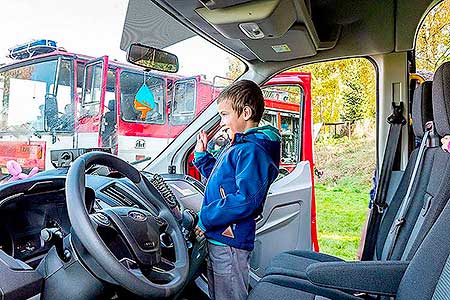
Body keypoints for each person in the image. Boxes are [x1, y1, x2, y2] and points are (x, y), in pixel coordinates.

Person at [193, 80, 281, 300]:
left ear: (246, 112)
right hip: (221, 236)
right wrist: (202, 157)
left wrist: (206, 217)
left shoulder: (252, 150)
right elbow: (223, 177)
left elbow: (245, 200)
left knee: (229, 294)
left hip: (229, 239)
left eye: (224, 114)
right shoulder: (240, 145)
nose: (222, 122)